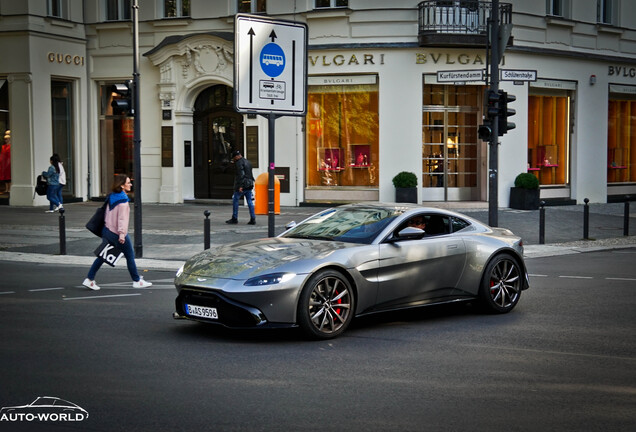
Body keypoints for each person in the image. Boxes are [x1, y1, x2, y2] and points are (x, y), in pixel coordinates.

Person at [82, 174, 152, 290]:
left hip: (107, 230)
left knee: (102, 256)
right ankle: (137, 281)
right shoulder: (123, 201)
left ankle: (89, 279)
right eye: (128, 182)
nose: (130, 184)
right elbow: (122, 220)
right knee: (130, 255)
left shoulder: (112, 197)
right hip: (116, 233)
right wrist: (122, 234)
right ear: (122, 185)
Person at [226, 150, 256, 225]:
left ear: (236, 156)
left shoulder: (239, 163)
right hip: (249, 184)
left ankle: (234, 218)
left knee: (235, 200)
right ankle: (253, 218)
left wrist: (240, 186)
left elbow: (241, 175)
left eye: (234, 158)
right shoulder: (248, 162)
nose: (234, 159)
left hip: (242, 185)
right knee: (249, 201)